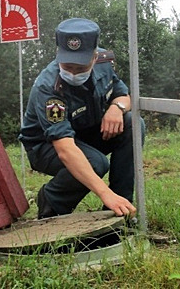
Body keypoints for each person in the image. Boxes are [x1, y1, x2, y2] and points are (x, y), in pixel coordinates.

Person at [19, 18, 145, 219]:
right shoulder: (48, 87)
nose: (73, 73)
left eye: (80, 67)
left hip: (84, 133)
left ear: (94, 57)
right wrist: (105, 194)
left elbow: (123, 95)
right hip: (45, 146)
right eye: (67, 66)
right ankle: (52, 201)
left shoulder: (104, 63)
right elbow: (66, 149)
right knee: (96, 162)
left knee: (133, 124)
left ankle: (121, 209)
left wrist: (116, 108)